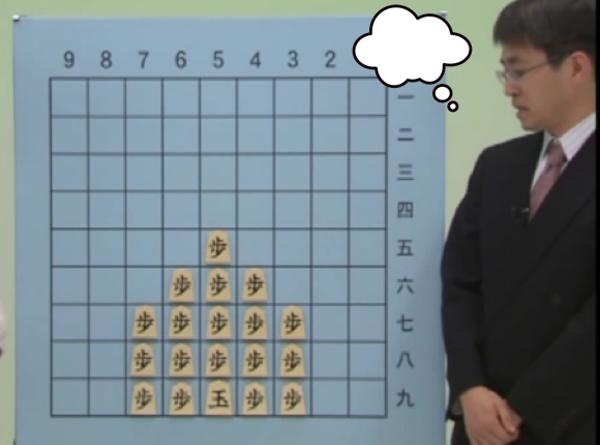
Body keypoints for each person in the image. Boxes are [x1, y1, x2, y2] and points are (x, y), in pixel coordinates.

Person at [441, 0, 596, 444]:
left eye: (519, 70)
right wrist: (470, 390)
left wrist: (519, 409)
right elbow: (459, 284)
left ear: (576, 67)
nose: (509, 88)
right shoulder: (497, 167)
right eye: (504, 72)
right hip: (480, 425)